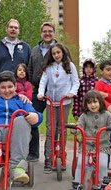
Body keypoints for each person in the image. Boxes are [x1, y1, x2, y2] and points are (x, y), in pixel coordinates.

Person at [27, 22, 72, 162]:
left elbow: (69, 69)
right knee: (31, 119)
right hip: (39, 92)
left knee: (57, 125)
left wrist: (69, 90)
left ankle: (57, 154)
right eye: (45, 31)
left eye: (50, 31)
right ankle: (34, 153)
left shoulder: (61, 49)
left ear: (54, 33)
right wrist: (34, 84)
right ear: (41, 33)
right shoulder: (34, 50)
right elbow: (29, 69)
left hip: (58, 92)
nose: (47, 33)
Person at [37, 43, 79, 173]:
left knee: (62, 128)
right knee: (50, 130)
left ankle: (62, 156)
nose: (56, 55)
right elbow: (43, 81)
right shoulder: (48, 67)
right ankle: (49, 160)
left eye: (58, 53)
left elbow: (75, 82)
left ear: (63, 53)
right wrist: (41, 93)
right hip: (51, 101)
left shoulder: (70, 66)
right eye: (54, 53)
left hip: (64, 101)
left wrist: (72, 92)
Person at [70, 90, 111, 189]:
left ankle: (102, 185)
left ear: (100, 102)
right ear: (86, 104)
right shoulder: (84, 116)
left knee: (102, 165)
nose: (93, 105)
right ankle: (77, 184)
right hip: (86, 146)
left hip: (102, 146)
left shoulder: (107, 114)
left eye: (95, 102)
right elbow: (78, 128)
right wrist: (74, 129)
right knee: (80, 163)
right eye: (89, 103)